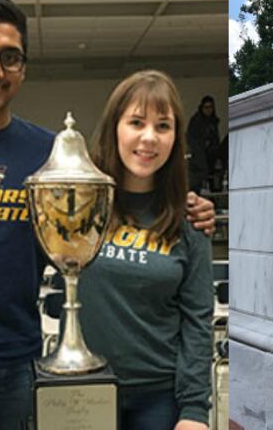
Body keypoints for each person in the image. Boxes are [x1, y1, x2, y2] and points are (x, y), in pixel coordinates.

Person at [0, 0, 215, 430]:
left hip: (23, 356)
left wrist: (192, 205)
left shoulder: (49, 153)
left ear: (24, 67)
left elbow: (72, 237)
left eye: (10, 57)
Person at [80, 69, 213, 430]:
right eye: (136, 122)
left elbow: (198, 322)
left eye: (163, 126)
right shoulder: (79, 208)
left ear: (175, 138)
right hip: (82, 390)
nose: (149, 137)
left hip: (159, 399)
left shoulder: (191, 219)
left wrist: (194, 411)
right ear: (115, 128)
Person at [186, 95, 220, 194]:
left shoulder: (213, 121)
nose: (208, 110)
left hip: (210, 156)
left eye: (210, 107)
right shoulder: (196, 121)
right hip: (198, 158)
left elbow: (215, 139)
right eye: (206, 107)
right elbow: (192, 141)